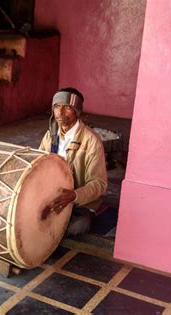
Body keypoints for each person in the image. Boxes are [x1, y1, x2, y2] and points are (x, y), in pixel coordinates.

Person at [39, 87, 108, 235]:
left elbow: (99, 184)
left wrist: (74, 195)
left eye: (67, 107)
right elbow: (38, 166)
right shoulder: (50, 136)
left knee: (76, 226)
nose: (60, 112)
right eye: (57, 107)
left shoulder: (91, 141)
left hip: (79, 202)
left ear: (77, 111)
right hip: (52, 195)